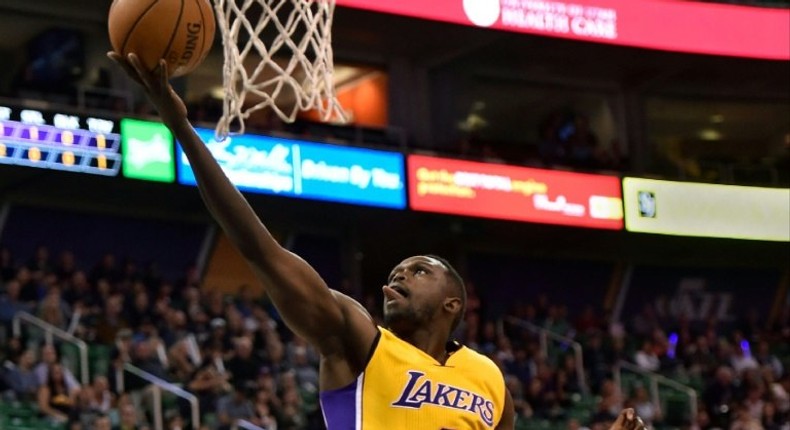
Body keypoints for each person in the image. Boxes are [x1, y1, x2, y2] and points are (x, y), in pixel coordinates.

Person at [108, 52, 647, 430]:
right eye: (396, 270)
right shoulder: (356, 339)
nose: (397, 275)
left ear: (452, 303)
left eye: (418, 270)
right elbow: (259, 249)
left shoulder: (490, 380)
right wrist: (183, 132)